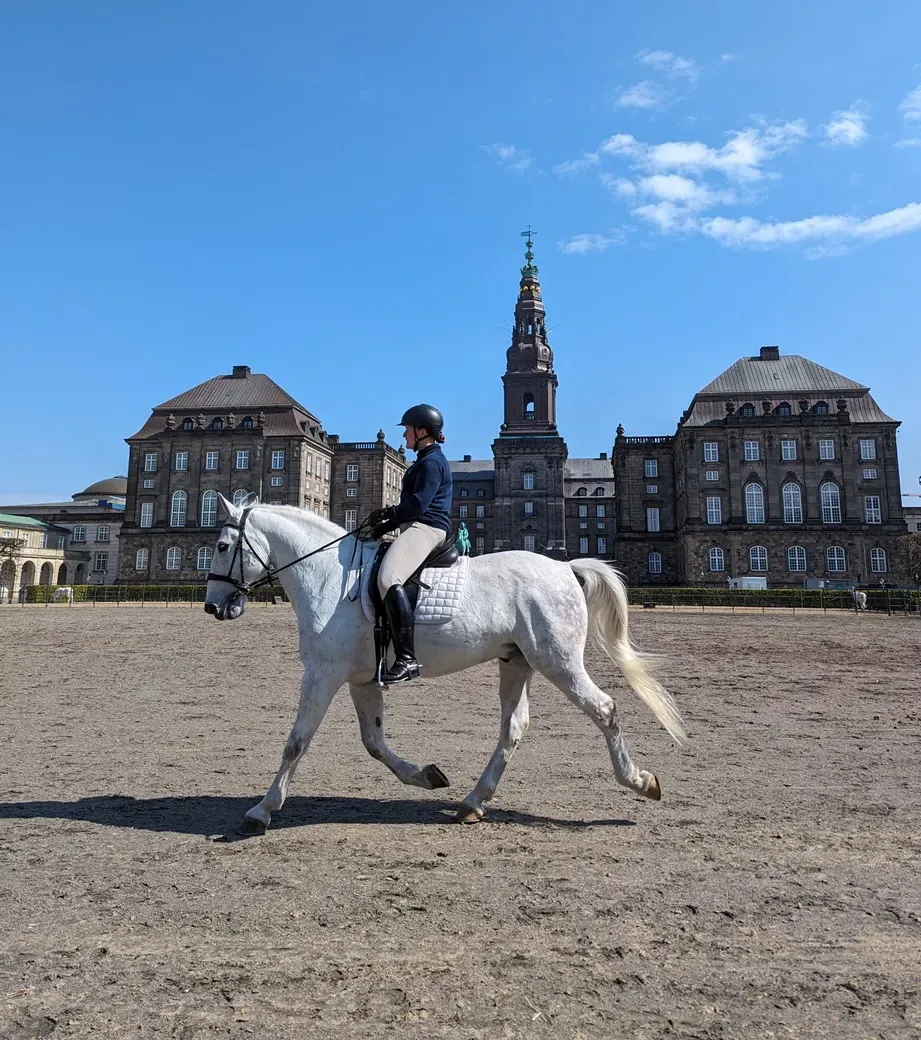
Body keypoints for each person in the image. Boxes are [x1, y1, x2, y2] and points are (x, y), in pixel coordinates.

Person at [367, 404, 453, 683]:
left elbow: (417, 504)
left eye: (407, 430)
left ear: (422, 431)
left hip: (427, 527)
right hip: (417, 525)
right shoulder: (424, 460)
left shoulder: (431, 463)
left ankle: (406, 658)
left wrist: (389, 515)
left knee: (388, 578)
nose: (404, 436)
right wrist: (387, 523)